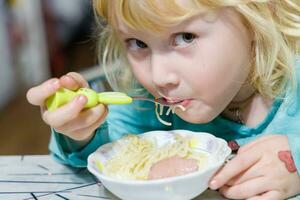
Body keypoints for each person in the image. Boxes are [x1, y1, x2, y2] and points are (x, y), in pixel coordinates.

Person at [27, 0, 300, 199]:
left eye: (185, 37)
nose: (159, 77)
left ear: (258, 13)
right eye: (138, 43)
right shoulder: (147, 107)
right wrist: (80, 130)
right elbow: (101, 155)